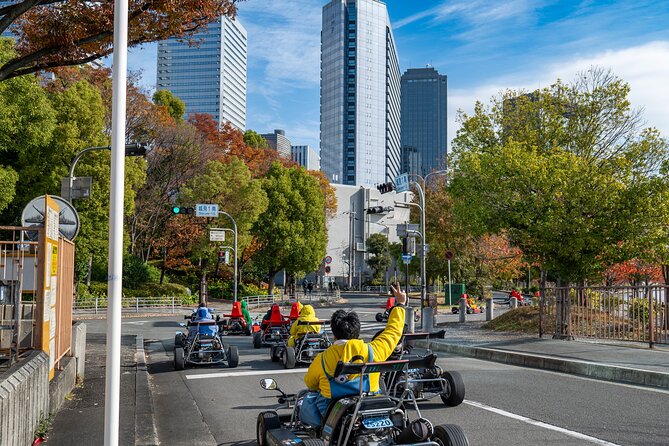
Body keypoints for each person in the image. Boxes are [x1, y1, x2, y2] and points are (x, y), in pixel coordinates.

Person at [299, 282, 406, 427]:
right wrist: (399, 305)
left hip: (333, 417)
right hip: (370, 408)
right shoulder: (373, 351)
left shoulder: (322, 359)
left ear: (334, 334)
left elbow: (310, 383)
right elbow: (393, 331)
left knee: (309, 399)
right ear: (357, 332)